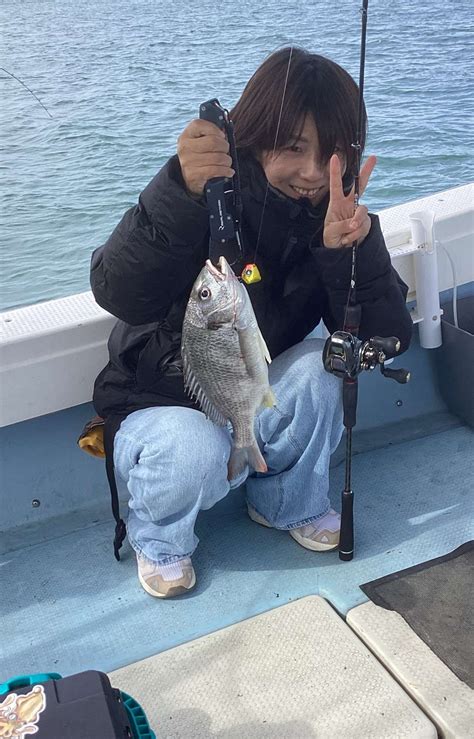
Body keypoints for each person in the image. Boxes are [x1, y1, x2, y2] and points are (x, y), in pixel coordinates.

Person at [90, 47, 412, 598]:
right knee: (193, 447)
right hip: (159, 405)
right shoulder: (203, 196)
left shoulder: (336, 216)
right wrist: (177, 190)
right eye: (293, 148)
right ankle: (161, 539)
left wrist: (343, 255)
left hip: (246, 397)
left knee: (321, 365)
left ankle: (287, 503)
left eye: (331, 153)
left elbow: (385, 337)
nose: (312, 174)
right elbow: (115, 290)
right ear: (256, 137)